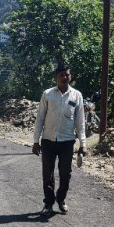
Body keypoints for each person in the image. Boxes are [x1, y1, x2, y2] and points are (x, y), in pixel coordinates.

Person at [32, 64, 86, 216]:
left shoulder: (77, 96)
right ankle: (48, 203)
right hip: (48, 140)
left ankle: (61, 199)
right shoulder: (48, 94)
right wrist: (36, 141)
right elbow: (40, 118)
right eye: (61, 75)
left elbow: (80, 121)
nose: (64, 77)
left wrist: (83, 144)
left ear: (70, 76)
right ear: (56, 77)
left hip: (67, 141)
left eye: (67, 75)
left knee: (65, 174)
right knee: (47, 174)